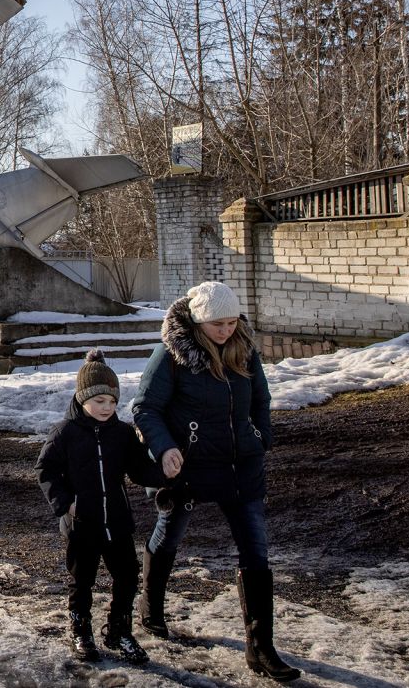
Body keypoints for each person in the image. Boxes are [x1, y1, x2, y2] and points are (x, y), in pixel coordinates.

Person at [131, 281, 301, 683]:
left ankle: (261, 647)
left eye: (231, 322)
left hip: (242, 466)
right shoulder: (171, 356)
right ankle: (150, 605)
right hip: (188, 469)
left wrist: (260, 436)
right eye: (217, 324)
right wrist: (166, 448)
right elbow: (145, 408)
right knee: (170, 533)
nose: (226, 330)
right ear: (198, 321)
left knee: (256, 552)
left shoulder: (245, 348)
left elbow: (261, 398)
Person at [36, 350, 160, 664]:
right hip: (82, 523)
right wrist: (65, 504)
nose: (106, 408)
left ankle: (119, 630)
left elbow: (139, 469)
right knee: (82, 580)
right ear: (81, 399)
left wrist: (165, 472)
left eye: (112, 402)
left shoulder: (122, 433)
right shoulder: (65, 433)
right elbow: (45, 470)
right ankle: (81, 631)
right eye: (98, 401)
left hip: (116, 521)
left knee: (128, 577)